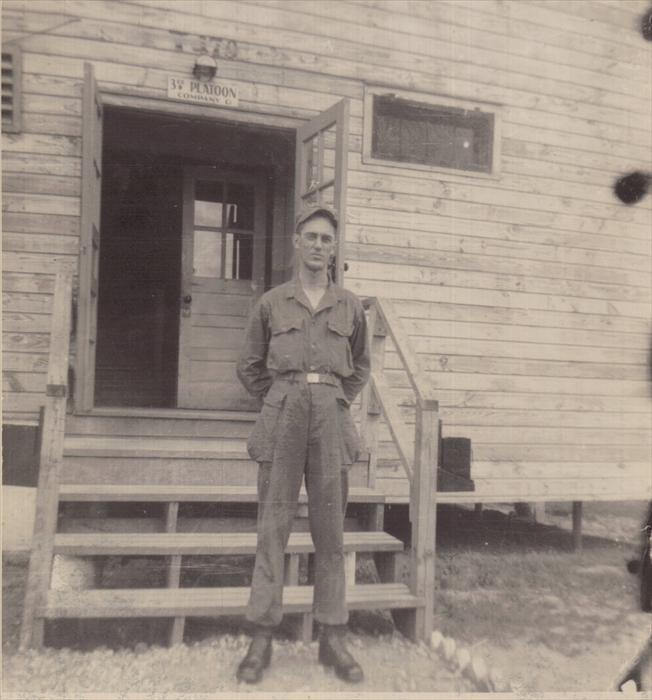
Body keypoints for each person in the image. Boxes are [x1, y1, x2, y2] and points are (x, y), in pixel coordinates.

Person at [235, 203, 370, 684]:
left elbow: (360, 367)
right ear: (297, 242)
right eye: (310, 237)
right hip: (283, 414)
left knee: (330, 533)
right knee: (272, 529)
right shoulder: (273, 303)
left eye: (326, 239)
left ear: (335, 248)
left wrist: (333, 399)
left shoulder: (350, 306)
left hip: (330, 419)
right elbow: (250, 366)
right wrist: (278, 400)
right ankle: (261, 638)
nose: (318, 246)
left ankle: (333, 638)